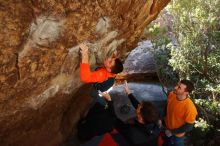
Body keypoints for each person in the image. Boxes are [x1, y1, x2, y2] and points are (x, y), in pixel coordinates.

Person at [77, 82, 160, 145]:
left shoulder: (132, 132)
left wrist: (109, 101)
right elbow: (139, 106)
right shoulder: (154, 119)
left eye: (139, 107)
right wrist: (129, 93)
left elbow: (114, 120)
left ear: (141, 118)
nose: (138, 105)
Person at [159, 80, 198, 146]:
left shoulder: (190, 108)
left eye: (179, 87)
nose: (175, 87)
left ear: (186, 92)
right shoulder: (172, 94)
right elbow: (167, 106)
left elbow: (189, 126)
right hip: (166, 129)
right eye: (177, 85)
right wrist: (160, 118)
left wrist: (172, 132)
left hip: (177, 135)